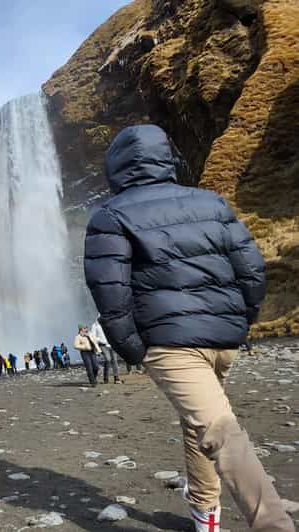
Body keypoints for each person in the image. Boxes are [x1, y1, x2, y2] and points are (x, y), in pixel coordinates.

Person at [84, 124, 294, 532]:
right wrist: (240, 321)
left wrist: (135, 350)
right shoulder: (211, 203)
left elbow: (109, 290)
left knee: (217, 429)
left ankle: (273, 524)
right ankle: (204, 511)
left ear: (117, 167)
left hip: (169, 344)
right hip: (223, 337)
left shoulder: (111, 215)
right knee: (203, 422)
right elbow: (251, 270)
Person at [91, 318, 120, 384]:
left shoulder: (109, 322)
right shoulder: (95, 325)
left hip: (112, 344)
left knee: (114, 360)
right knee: (108, 359)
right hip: (102, 345)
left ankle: (116, 378)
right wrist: (99, 340)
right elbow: (93, 336)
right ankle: (106, 378)